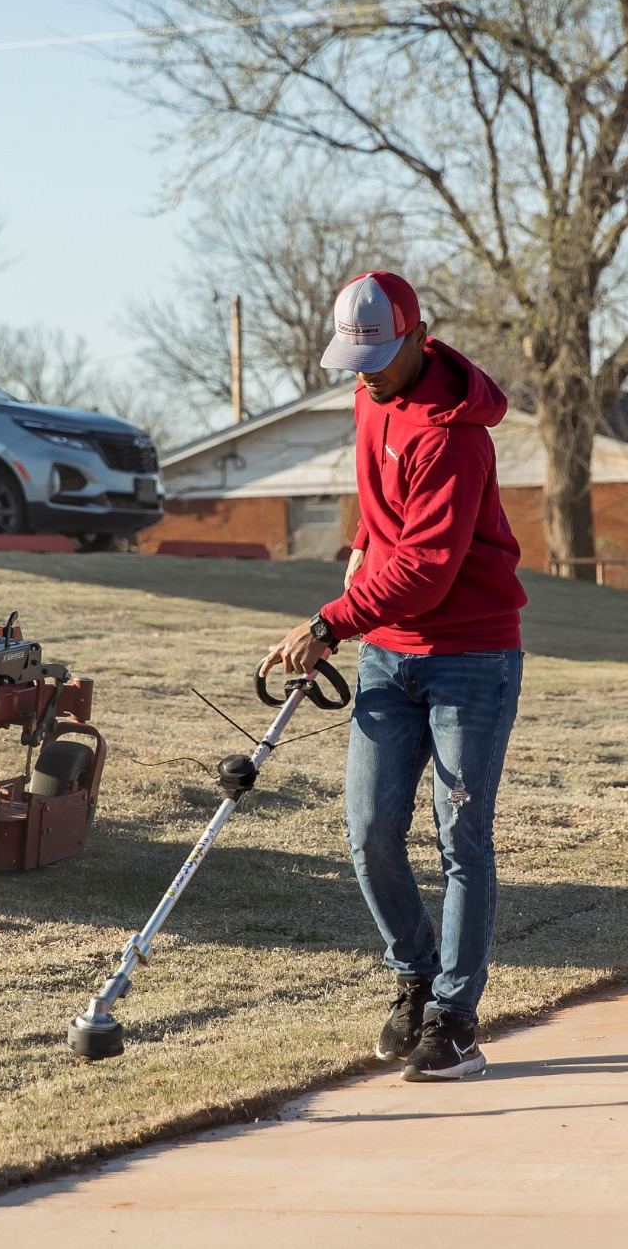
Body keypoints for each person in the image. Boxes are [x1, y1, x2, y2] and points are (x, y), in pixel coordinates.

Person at [261, 271, 527, 1082]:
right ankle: (413, 975)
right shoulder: (371, 396)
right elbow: (386, 523)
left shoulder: (455, 434)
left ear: (418, 336)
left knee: (461, 837)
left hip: (470, 655)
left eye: (377, 354)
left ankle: (454, 1018)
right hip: (387, 650)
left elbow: (426, 571)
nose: (364, 371)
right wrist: (354, 574)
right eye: (355, 357)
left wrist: (327, 622)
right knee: (371, 830)